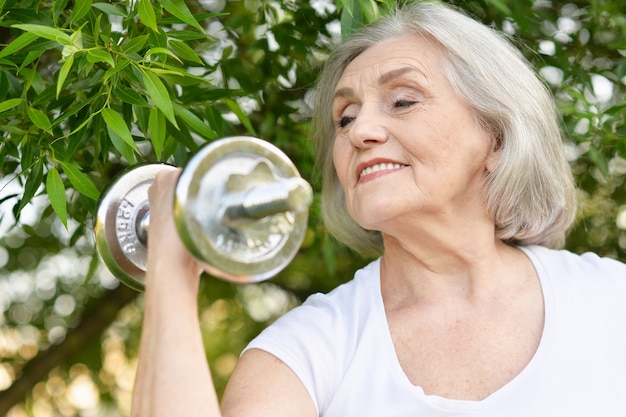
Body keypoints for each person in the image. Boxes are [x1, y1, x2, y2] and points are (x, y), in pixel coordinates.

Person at [130, 1, 626, 416]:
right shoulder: (306, 352)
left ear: (495, 137)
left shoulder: (610, 302)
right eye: (344, 117)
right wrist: (172, 265)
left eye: (403, 101)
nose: (358, 132)